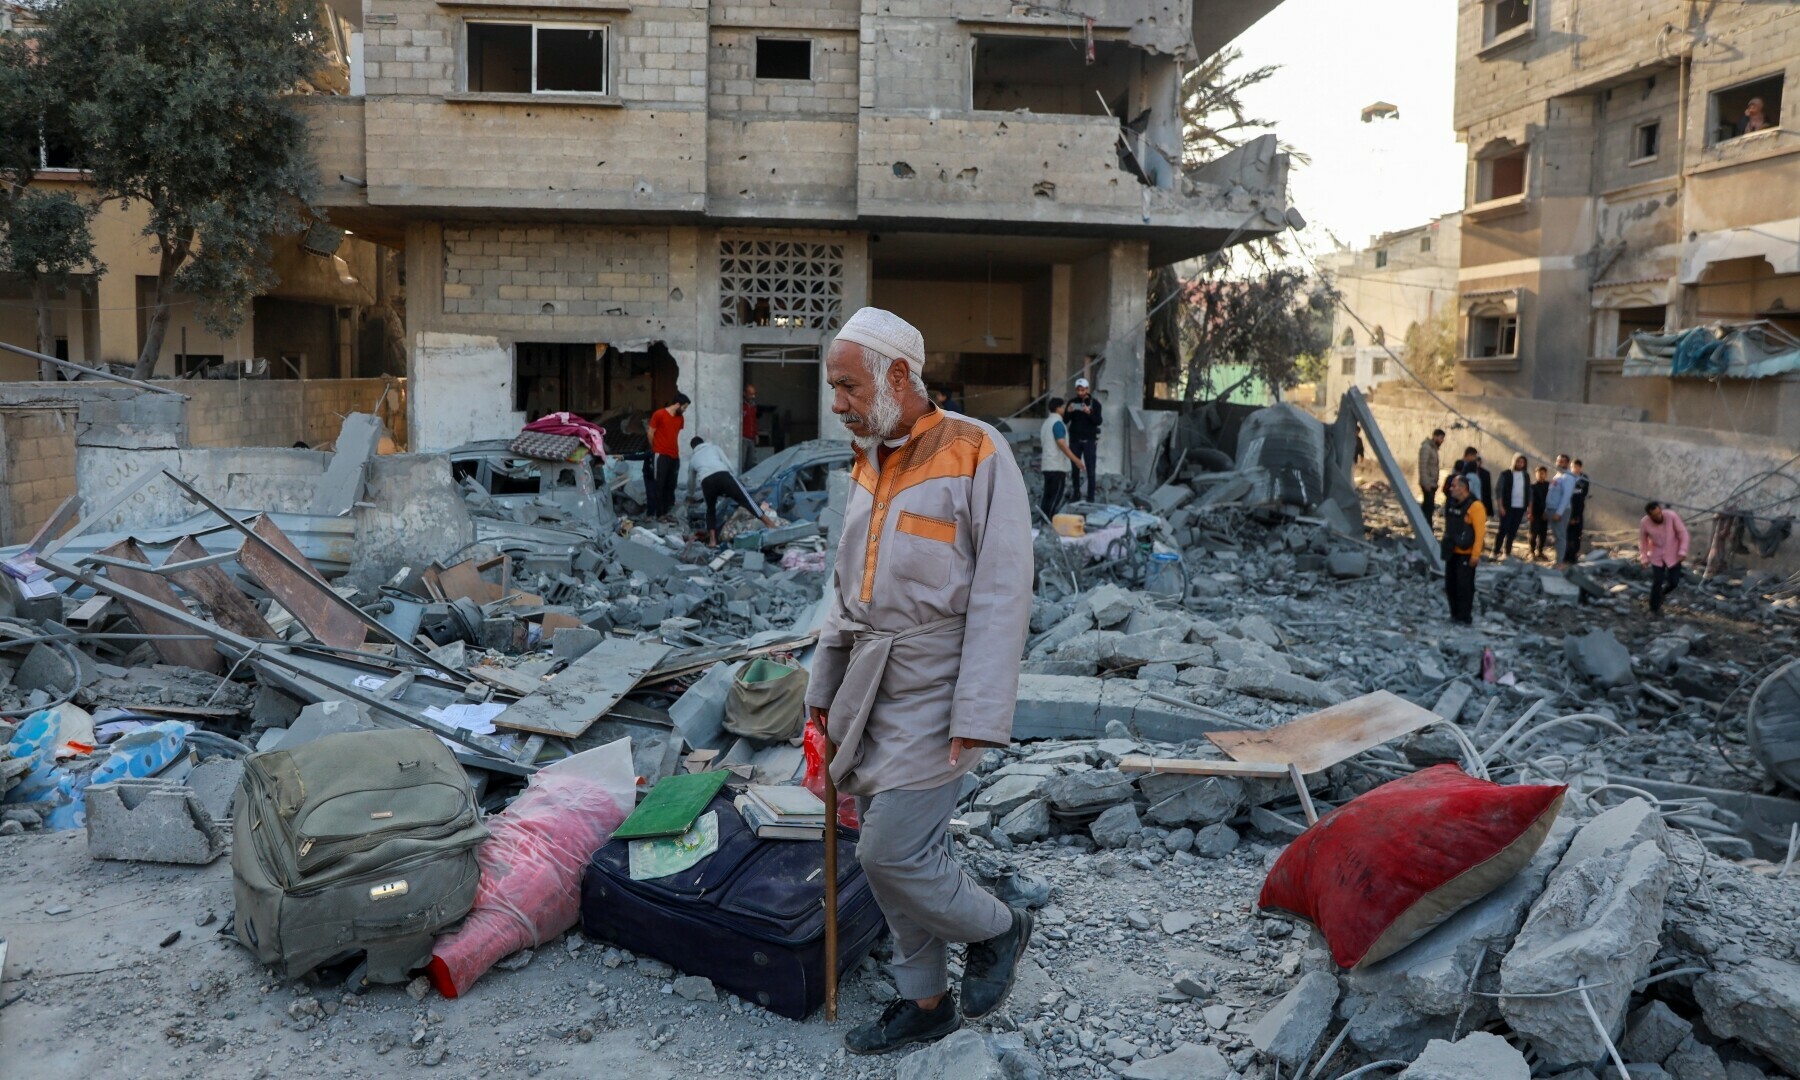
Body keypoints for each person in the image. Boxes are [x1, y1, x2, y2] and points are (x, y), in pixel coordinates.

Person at [805, 307, 1034, 1056]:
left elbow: (1003, 593)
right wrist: (821, 696)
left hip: (939, 686)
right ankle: (925, 1001)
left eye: (846, 386)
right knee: (890, 848)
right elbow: (844, 594)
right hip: (867, 686)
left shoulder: (977, 450)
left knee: (890, 853)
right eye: (833, 387)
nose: (835, 403)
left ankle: (1001, 927)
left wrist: (979, 710)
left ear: (897, 375)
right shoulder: (868, 460)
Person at [688, 435, 777, 547]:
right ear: (703, 442)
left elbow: (690, 481)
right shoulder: (714, 448)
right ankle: (770, 524)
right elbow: (727, 463)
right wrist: (734, 480)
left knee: (710, 510)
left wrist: (690, 494)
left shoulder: (693, 459)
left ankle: (712, 541)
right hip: (723, 475)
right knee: (747, 501)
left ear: (693, 448)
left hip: (706, 481)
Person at [1442, 475, 1486, 625]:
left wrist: (1475, 555)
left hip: (1466, 555)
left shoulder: (1475, 506)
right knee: (1450, 585)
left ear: (1463, 488)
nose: (1451, 489)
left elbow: (1480, 533)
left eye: (1454, 486)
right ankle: (1454, 614)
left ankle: (1464, 617)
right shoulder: (1452, 504)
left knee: (1464, 587)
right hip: (1452, 552)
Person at [1639, 501, 1690, 616]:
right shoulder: (1645, 522)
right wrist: (1644, 557)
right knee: (1657, 581)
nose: (1658, 516)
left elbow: (1683, 534)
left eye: (1659, 513)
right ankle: (1653, 608)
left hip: (1674, 553)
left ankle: (1662, 594)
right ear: (1649, 516)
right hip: (1656, 554)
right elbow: (1643, 541)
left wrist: (1683, 550)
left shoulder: (1671, 516)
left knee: (1673, 582)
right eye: (1655, 515)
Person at [645, 392, 690, 518]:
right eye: (684, 407)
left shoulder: (680, 418)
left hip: (674, 455)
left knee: (671, 485)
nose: (685, 410)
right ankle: (660, 514)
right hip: (661, 454)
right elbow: (650, 433)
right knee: (660, 484)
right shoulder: (659, 414)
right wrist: (655, 448)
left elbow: (674, 434)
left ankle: (668, 511)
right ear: (677, 404)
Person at [1039, 397, 1084, 520]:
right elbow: (1061, 444)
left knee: (1047, 497)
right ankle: (1048, 523)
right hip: (1056, 466)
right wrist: (1076, 460)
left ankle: (1043, 522)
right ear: (1058, 408)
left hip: (1047, 465)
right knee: (1055, 497)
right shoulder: (1057, 423)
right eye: (1063, 407)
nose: (1064, 409)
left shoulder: (1047, 423)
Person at [1064, 371, 1102, 502]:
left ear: (1087, 389)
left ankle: (1091, 497)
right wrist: (1069, 412)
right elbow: (1065, 420)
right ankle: (1076, 494)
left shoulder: (1095, 404)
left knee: (1091, 469)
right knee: (1075, 469)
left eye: (1082, 389)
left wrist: (1089, 412)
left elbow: (1098, 421)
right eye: (1078, 390)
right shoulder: (1072, 402)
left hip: (1089, 441)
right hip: (1075, 440)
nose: (1080, 392)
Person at [1494, 454, 1530, 560]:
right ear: (1514, 462)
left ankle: (1507, 552)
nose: (1520, 464)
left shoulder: (1525, 475)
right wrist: (1500, 506)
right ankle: (1496, 551)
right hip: (1507, 507)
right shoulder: (1505, 474)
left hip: (1519, 507)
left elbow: (1529, 491)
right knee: (1503, 529)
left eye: (1522, 462)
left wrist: (1529, 507)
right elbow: (1499, 490)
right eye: (1518, 461)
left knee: (1513, 531)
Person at [1545, 454, 1576, 569]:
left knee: (1560, 536)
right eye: (1558, 461)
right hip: (1551, 508)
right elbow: (1551, 493)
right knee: (1557, 536)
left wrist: (1559, 512)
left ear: (1567, 464)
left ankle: (1560, 562)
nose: (1559, 464)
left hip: (1560, 511)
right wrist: (1546, 509)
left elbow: (1566, 496)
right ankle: (1557, 560)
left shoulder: (1569, 477)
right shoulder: (1557, 476)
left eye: (1563, 462)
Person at [741, 383, 772, 471]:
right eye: (751, 394)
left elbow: (754, 421)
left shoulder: (753, 406)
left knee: (750, 463)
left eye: (754, 394)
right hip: (743, 438)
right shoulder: (741, 406)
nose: (753, 396)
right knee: (742, 462)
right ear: (744, 393)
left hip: (751, 438)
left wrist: (756, 434)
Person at [1565, 459, 1591, 565]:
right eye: (1572, 467)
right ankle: (1566, 555)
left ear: (1580, 467)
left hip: (1579, 509)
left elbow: (1583, 494)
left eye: (1576, 467)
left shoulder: (1584, 478)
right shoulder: (1567, 477)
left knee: (1577, 535)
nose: (1574, 469)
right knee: (1568, 535)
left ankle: (1573, 555)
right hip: (1568, 509)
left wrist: (1576, 516)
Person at [1418, 429, 1445, 520]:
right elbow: (1422, 466)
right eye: (1441, 438)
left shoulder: (1433, 449)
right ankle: (1425, 528)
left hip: (1432, 483)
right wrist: (1426, 483)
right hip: (1428, 483)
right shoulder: (1427, 448)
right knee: (1428, 508)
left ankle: (1425, 527)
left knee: (1428, 507)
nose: (1442, 441)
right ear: (1435, 436)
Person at [1528, 465, 1551, 561]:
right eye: (1538, 473)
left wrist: (1547, 511)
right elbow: (1530, 501)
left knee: (1543, 534)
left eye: (1542, 473)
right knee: (1533, 533)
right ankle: (1531, 551)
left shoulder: (1549, 486)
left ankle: (1540, 551)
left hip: (1545, 513)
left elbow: (1551, 499)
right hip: (1535, 512)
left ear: (1546, 474)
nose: (1540, 475)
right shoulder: (1532, 486)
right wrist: (1530, 513)